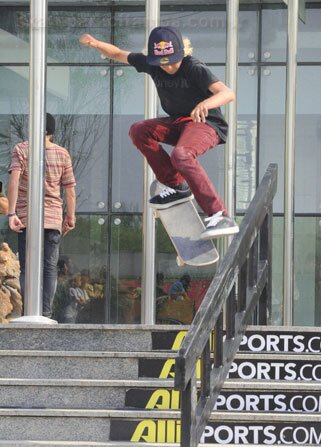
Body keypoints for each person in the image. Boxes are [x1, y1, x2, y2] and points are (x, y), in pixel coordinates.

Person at [80, 26, 239, 240]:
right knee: (139, 130)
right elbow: (118, 54)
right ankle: (175, 186)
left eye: (173, 61)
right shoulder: (151, 64)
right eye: (163, 63)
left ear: (183, 52)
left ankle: (220, 215)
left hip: (206, 123)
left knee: (181, 155)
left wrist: (206, 104)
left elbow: (227, 93)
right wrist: (97, 44)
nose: (169, 67)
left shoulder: (194, 67)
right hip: (179, 123)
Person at [7, 113, 76, 319]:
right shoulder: (62, 153)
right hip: (53, 217)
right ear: (52, 132)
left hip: (26, 217)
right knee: (50, 268)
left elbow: (14, 181)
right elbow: (70, 189)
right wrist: (70, 217)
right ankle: (45, 313)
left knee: (27, 266)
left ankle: (29, 311)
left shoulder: (21, 149)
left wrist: (11, 212)